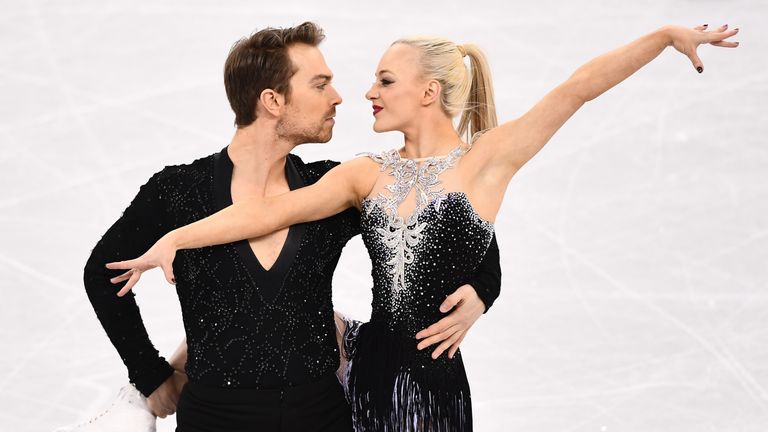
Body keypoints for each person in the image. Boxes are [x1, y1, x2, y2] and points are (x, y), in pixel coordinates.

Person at [107, 23, 738, 431]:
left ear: (429, 91)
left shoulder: (485, 163)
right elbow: (269, 210)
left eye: (384, 80)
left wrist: (662, 37)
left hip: (431, 385)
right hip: (369, 377)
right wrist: (174, 237)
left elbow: (576, 90)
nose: (367, 93)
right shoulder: (363, 175)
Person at [58, 22, 503, 432]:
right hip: (212, 421)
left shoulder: (330, 188)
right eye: (320, 84)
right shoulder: (179, 191)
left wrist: (483, 287)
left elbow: (455, 221)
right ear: (272, 101)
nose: (339, 97)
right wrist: (151, 374)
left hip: (322, 417)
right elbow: (103, 273)